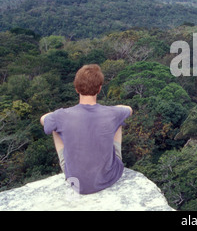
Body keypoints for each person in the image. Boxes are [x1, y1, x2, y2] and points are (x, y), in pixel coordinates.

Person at [40, 64, 132, 194]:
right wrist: (114, 108)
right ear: (99, 88)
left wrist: (52, 115)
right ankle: (106, 164)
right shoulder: (112, 113)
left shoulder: (61, 116)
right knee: (118, 121)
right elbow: (129, 109)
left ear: (76, 88)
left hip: (75, 182)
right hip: (108, 178)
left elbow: (43, 120)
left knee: (54, 127)